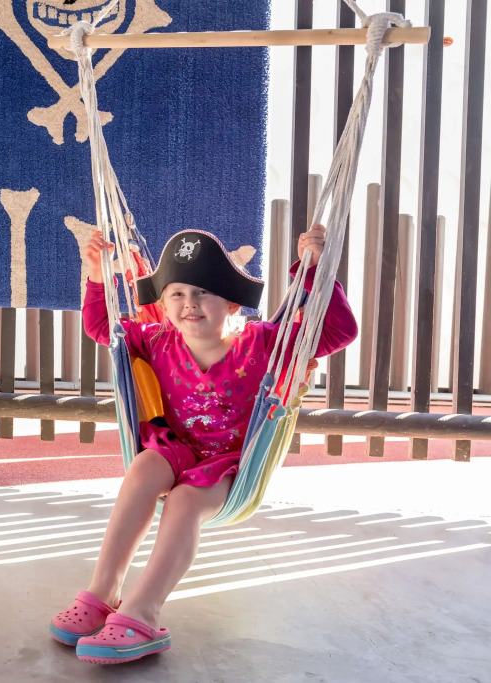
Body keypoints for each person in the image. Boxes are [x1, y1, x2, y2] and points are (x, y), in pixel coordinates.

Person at [50, 225, 357, 665]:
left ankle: (143, 611)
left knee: (185, 501)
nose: (189, 303)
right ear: (162, 305)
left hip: (229, 466)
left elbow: (338, 331)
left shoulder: (267, 343)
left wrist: (314, 270)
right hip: (177, 449)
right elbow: (102, 328)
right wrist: (97, 273)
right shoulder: (156, 339)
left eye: (202, 292)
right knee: (143, 467)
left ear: (232, 302)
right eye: (176, 294)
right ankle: (104, 590)